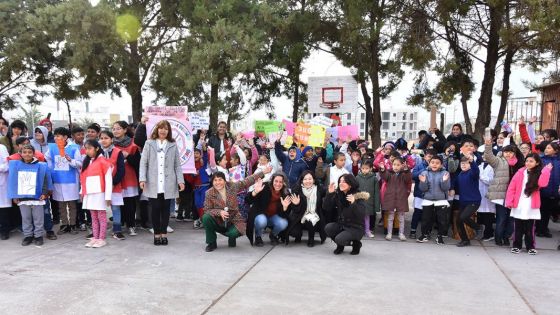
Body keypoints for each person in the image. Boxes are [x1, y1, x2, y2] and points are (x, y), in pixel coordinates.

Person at [202, 167, 271, 252]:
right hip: (218, 220)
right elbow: (207, 209)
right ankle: (211, 243)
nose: (217, 182)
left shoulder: (232, 186)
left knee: (233, 233)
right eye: (215, 180)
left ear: (224, 181)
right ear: (212, 182)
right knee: (206, 217)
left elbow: (247, 181)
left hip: (233, 219)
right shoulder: (209, 193)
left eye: (220, 180)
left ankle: (231, 237)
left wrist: (263, 172)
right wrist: (219, 212)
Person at [139, 120, 186, 246]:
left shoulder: (172, 144)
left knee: (165, 210)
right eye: (161, 128)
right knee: (155, 209)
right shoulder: (149, 143)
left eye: (166, 129)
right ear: (157, 129)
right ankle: (157, 234)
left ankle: (164, 234)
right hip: (153, 182)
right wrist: (142, 179)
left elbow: (177, 165)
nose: (163, 131)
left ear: (169, 131)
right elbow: (143, 163)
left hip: (168, 182)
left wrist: (180, 181)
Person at [506, 154, 552, 255]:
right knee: (518, 227)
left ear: (537, 163)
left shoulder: (539, 173)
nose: (528, 163)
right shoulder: (520, 172)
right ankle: (516, 245)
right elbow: (511, 187)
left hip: (531, 205)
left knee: (530, 227)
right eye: (527, 161)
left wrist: (546, 171)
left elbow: (543, 184)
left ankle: (530, 246)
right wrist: (509, 201)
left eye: (531, 161)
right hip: (519, 204)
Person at [483, 138, 525, 246]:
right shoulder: (499, 161)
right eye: (506, 151)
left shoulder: (520, 164)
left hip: (514, 196)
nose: (508, 154)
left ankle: (506, 237)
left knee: (511, 219)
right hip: (501, 195)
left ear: (515, 153)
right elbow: (488, 157)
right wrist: (488, 146)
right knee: (501, 218)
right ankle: (498, 238)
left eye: (511, 152)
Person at [8, 145, 51, 246]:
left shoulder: (41, 166)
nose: (27, 154)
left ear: (33, 153)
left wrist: (44, 193)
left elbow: (45, 181)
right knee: (25, 217)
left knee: (38, 217)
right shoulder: (16, 166)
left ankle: (38, 235)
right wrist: (15, 195)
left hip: (37, 197)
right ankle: (28, 235)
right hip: (23, 197)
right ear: (21, 153)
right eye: (24, 152)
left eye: (29, 152)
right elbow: (14, 181)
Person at [45, 127, 82, 235]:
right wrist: (52, 168)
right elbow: (47, 158)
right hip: (58, 180)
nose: (55, 138)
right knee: (61, 205)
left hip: (71, 181)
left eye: (58, 136)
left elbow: (80, 164)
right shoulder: (52, 148)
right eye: (55, 136)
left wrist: (70, 160)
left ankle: (73, 225)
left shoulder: (74, 148)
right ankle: (64, 224)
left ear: (65, 137)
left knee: (72, 205)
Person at [323, 174, 369, 255]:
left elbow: (361, 215)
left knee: (339, 239)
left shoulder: (358, 196)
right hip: (342, 224)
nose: (341, 183)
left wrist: (353, 203)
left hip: (356, 228)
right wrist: (329, 194)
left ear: (350, 184)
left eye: (344, 181)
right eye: (340, 181)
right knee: (328, 228)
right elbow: (326, 207)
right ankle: (340, 246)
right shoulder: (339, 194)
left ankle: (356, 244)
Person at [80, 140, 113, 248]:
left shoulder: (103, 162)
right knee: (93, 217)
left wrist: (108, 196)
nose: (87, 151)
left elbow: (108, 180)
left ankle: (101, 238)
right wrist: (82, 192)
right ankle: (95, 237)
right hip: (89, 194)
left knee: (102, 217)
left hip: (100, 194)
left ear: (97, 148)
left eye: (90, 148)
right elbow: (83, 179)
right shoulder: (87, 162)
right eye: (86, 149)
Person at [246, 173, 294, 247]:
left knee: (283, 223)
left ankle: (273, 235)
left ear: (284, 183)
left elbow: (285, 215)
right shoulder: (264, 187)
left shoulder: (286, 193)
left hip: (273, 217)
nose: (278, 184)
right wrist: (255, 192)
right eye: (276, 181)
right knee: (262, 221)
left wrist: (285, 208)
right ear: (272, 181)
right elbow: (247, 200)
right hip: (260, 216)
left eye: (280, 182)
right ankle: (258, 236)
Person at [112, 121, 141, 236]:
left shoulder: (133, 144)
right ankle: (120, 224)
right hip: (116, 178)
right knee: (118, 203)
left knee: (129, 203)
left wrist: (128, 156)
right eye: (114, 129)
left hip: (129, 178)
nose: (115, 131)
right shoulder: (111, 144)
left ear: (125, 130)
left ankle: (131, 225)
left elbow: (138, 163)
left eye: (118, 128)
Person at [287, 171, 327, 247]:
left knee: (310, 218)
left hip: (314, 216)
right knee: (294, 232)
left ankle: (311, 239)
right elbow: (295, 210)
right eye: (305, 179)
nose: (308, 181)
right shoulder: (296, 189)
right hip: (299, 216)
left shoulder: (319, 189)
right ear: (302, 180)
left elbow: (328, 195)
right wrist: (296, 204)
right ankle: (298, 236)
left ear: (314, 180)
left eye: (310, 179)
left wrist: (330, 193)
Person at [417, 155, 451, 245]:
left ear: (441, 164)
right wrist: (423, 182)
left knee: (441, 220)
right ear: (429, 163)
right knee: (425, 219)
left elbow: (446, 188)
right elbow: (423, 189)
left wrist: (444, 181)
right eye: (432, 162)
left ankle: (440, 236)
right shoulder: (425, 173)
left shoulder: (445, 173)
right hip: (428, 199)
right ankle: (424, 234)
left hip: (441, 200)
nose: (434, 164)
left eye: (437, 163)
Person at [99, 131, 126, 240]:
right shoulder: (97, 152)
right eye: (101, 138)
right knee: (100, 208)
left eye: (106, 138)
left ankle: (117, 230)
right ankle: (99, 230)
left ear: (111, 139)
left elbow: (121, 170)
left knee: (115, 208)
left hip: (115, 185)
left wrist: (113, 183)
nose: (103, 140)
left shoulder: (117, 152)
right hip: (100, 186)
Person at [454, 156, 485, 247]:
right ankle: (465, 240)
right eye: (462, 163)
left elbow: (476, 170)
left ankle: (479, 227)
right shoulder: (460, 174)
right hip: (463, 201)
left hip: (474, 201)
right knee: (458, 220)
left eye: (466, 163)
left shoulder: (472, 173)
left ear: (470, 165)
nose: (463, 165)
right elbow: (455, 185)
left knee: (464, 217)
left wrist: (472, 162)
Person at [379, 157, 412, 241]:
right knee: (390, 217)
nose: (396, 167)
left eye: (398, 165)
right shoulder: (389, 173)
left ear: (402, 165)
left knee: (401, 218)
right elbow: (384, 176)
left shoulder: (404, 174)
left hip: (401, 199)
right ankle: (389, 233)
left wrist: (406, 169)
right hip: (391, 198)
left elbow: (408, 178)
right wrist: (382, 169)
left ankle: (401, 233)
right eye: (394, 164)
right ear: (391, 165)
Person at [410, 149, 436, 239]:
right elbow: (413, 176)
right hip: (420, 194)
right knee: (417, 213)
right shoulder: (419, 166)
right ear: (425, 156)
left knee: (429, 215)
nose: (430, 159)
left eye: (432, 157)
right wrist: (425, 170)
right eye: (429, 157)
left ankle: (427, 232)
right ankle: (413, 231)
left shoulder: (438, 167)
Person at [536, 142, 559, 237]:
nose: (546, 149)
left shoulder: (558, 161)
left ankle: (544, 229)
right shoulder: (541, 160)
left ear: (556, 150)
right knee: (541, 210)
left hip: (555, 191)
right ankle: (538, 229)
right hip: (542, 190)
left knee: (547, 212)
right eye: (546, 148)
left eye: (549, 148)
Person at [355, 159, 380, 238]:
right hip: (359, 202)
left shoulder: (374, 179)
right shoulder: (357, 178)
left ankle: (367, 231)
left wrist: (376, 205)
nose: (364, 170)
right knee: (359, 218)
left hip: (369, 202)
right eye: (363, 168)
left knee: (367, 217)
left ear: (371, 169)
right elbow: (355, 190)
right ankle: (360, 231)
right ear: (360, 168)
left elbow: (377, 193)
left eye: (367, 168)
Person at [478, 156, 496, 241]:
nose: (485, 156)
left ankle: (489, 234)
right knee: (481, 215)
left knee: (488, 215)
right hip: (479, 194)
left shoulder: (494, 167)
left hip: (488, 193)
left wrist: (481, 177)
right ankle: (483, 233)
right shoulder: (479, 166)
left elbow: (492, 181)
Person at [0, 144, 11, 240]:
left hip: (1, 182)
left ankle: (4, 231)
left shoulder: (1, 148)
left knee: (3, 209)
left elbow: (7, 165)